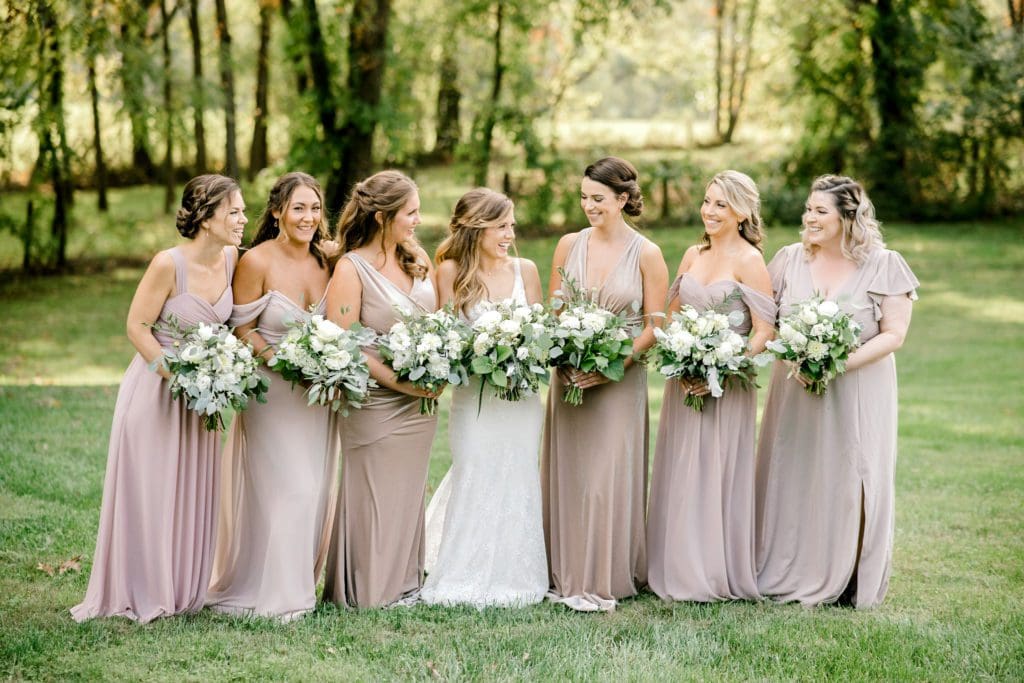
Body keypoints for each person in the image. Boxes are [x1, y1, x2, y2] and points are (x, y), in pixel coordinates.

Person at [71, 174, 246, 623]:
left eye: (243, 211)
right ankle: (143, 588)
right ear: (205, 217)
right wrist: (182, 377)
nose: (243, 219)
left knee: (191, 491)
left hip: (204, 399)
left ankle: (182, 587)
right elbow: (136, 327)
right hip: (157, 391)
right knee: (152, 491)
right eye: (234, 211)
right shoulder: (168, 264)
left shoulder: (232, 259)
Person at [755, 174, 919, 608]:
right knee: (795, 471)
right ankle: (789, 566)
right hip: (795, 388)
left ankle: (846, 575)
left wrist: (834, 366)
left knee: (851, 476)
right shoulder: (788, 260)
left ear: (849, 217)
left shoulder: (885, 264)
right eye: (808, 209)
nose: (809, 217)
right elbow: (765, 322)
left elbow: (894, 334)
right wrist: (793, 356)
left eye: (820, 211)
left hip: (858, 391)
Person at [206, 172, 338, 621]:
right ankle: (283, 598)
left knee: (312, 488)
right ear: (278, 211)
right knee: (290, 488)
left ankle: (289, 583)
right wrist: (283, 362)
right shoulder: (256, 261)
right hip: (271, 392)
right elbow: (241, 329)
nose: (308, 217)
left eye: (315, 208)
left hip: (316, 397)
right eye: (298, 208)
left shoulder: (328, 260)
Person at [542, 157, 669, 611]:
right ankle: (563, 571)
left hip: (618, 381)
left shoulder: (647, 253)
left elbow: (655, 326)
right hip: (569, 377)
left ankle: (603, 574)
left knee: (603, 478)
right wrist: (563, 354)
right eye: (583, 198)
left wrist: (613, 362)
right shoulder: (568, 245)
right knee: (571, 474)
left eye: (598, 198)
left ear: (622, 199)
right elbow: (554, 310)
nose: (589, 206)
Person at [646, 170, 775, 602]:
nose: (710, 211)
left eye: (721, 204)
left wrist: (724, 365)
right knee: (682, 466)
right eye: (707, 201)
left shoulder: (750, 261)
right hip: (685, 380)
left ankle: (711, 571)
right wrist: (681, 357)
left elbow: (764, 331)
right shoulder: (691, 254)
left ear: (741, 212)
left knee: (715, 471)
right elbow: (673, 315)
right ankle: (675, 565)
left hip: (727, 385)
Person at [420, 188, 548, 608]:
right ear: (476, 228)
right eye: (501, 227)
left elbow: (541, 335)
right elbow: (442, 339)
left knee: (517, 472)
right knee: (475, 469)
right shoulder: (450, 272)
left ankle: (515, 573)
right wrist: (480, 354)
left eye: (512, 225)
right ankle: (463, 571)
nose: (510, 234)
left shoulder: (525, 270)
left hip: (520, 398)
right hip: (472, 398)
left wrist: (519, 353)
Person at [321, 170, 439, 608]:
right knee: (373, 493)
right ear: (382, 216)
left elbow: (436, 321)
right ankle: (367, 589)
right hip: (373, 400)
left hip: (420, 403)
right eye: (411, 212)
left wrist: (435, 368)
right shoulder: (351, 267)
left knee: (407, 491)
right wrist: (404, 383)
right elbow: (345, 340)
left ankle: (405, 582)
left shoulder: (416, 256)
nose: (418, 220)